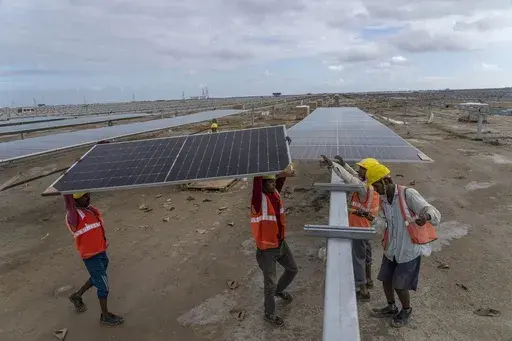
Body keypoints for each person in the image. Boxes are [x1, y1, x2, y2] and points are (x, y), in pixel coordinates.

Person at [364, 163, 441, 328]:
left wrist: (426, 217)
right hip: (391, 248)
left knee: (400, 284)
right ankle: (391, 307)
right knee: (385, 279)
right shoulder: (384, 201)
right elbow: (384, 223)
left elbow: (432, 211)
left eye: (377, 185)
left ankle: (406, 310)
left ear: (386, 180)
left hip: (408, 249)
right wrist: (371, 219)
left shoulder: (408, 194)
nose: (376, 190)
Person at [320, 155, 380, 301]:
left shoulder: (363, 187)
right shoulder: (372, 184)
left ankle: (363, 289)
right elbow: (354, 175)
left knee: (357, 258)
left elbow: (350, 179)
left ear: (369, 172)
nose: (358, 170)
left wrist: (333, 165)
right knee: (366, 256)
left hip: (358, 228)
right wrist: (344, 164)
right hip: (367, 228)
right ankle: (369, 280)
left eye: (362, 169)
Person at [65, 192, 124, 326]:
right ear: (74, 201)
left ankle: (77, 295)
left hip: (101, 252)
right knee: (103, 285)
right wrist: (66, 189)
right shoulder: (73, 216)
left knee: (98, 276)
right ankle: (105, 316)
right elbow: (68, 203)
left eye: (88, 194)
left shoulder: (90, 210)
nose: (88, 198)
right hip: (91, 256)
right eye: (84, 196)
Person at [251, 166, 298, 327]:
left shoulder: (275, 193)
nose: (273, 184)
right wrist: (260, 163)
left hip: (280, 243)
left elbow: (281, 178)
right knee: (269, 284)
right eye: (269, 182)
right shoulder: (258, 200)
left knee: (293, 269)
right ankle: (269, 313)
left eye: (273, 181)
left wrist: (283, 158)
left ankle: (279, 291)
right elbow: (257, 181)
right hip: (267, 250)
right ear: (262, 184)